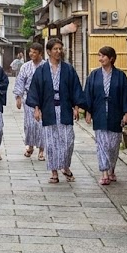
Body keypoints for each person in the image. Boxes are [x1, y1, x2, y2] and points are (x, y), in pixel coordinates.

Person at [27, 38, 85, 183]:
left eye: (60, 48)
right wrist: (36, 109)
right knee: (51, 142)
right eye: (55, 49)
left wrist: (76, 107)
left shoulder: (68, 69)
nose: (59, 51)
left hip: (64, 108)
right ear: (48, 52)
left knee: (68, 141)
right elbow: (35, 90)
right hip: (48, 110)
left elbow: (75, 88)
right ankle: (54, 172)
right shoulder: (41, 70)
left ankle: (65, 166)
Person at [83, 46, 127, 185]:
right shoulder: (94, 75)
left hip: (115, 112)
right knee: (101, 144)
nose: (100, 59)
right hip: (99, 112)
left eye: (103, 56)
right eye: (99, 56)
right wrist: (88, 112)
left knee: (113, 144)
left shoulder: (120, 76)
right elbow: (88, 94)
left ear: (111, 58)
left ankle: (111, 169)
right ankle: (104, 173)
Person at [13, 43, 46, 161]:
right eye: (30, 52)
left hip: (43, 99)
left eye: (34, 52)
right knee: (29, 125)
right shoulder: (25, 67)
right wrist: (18, 97)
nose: (31, 54)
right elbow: (20, 81)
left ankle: (42, 149)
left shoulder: (46, 66)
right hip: (28, 98)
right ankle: (30, 146)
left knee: (42, 124)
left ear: (40, 53)